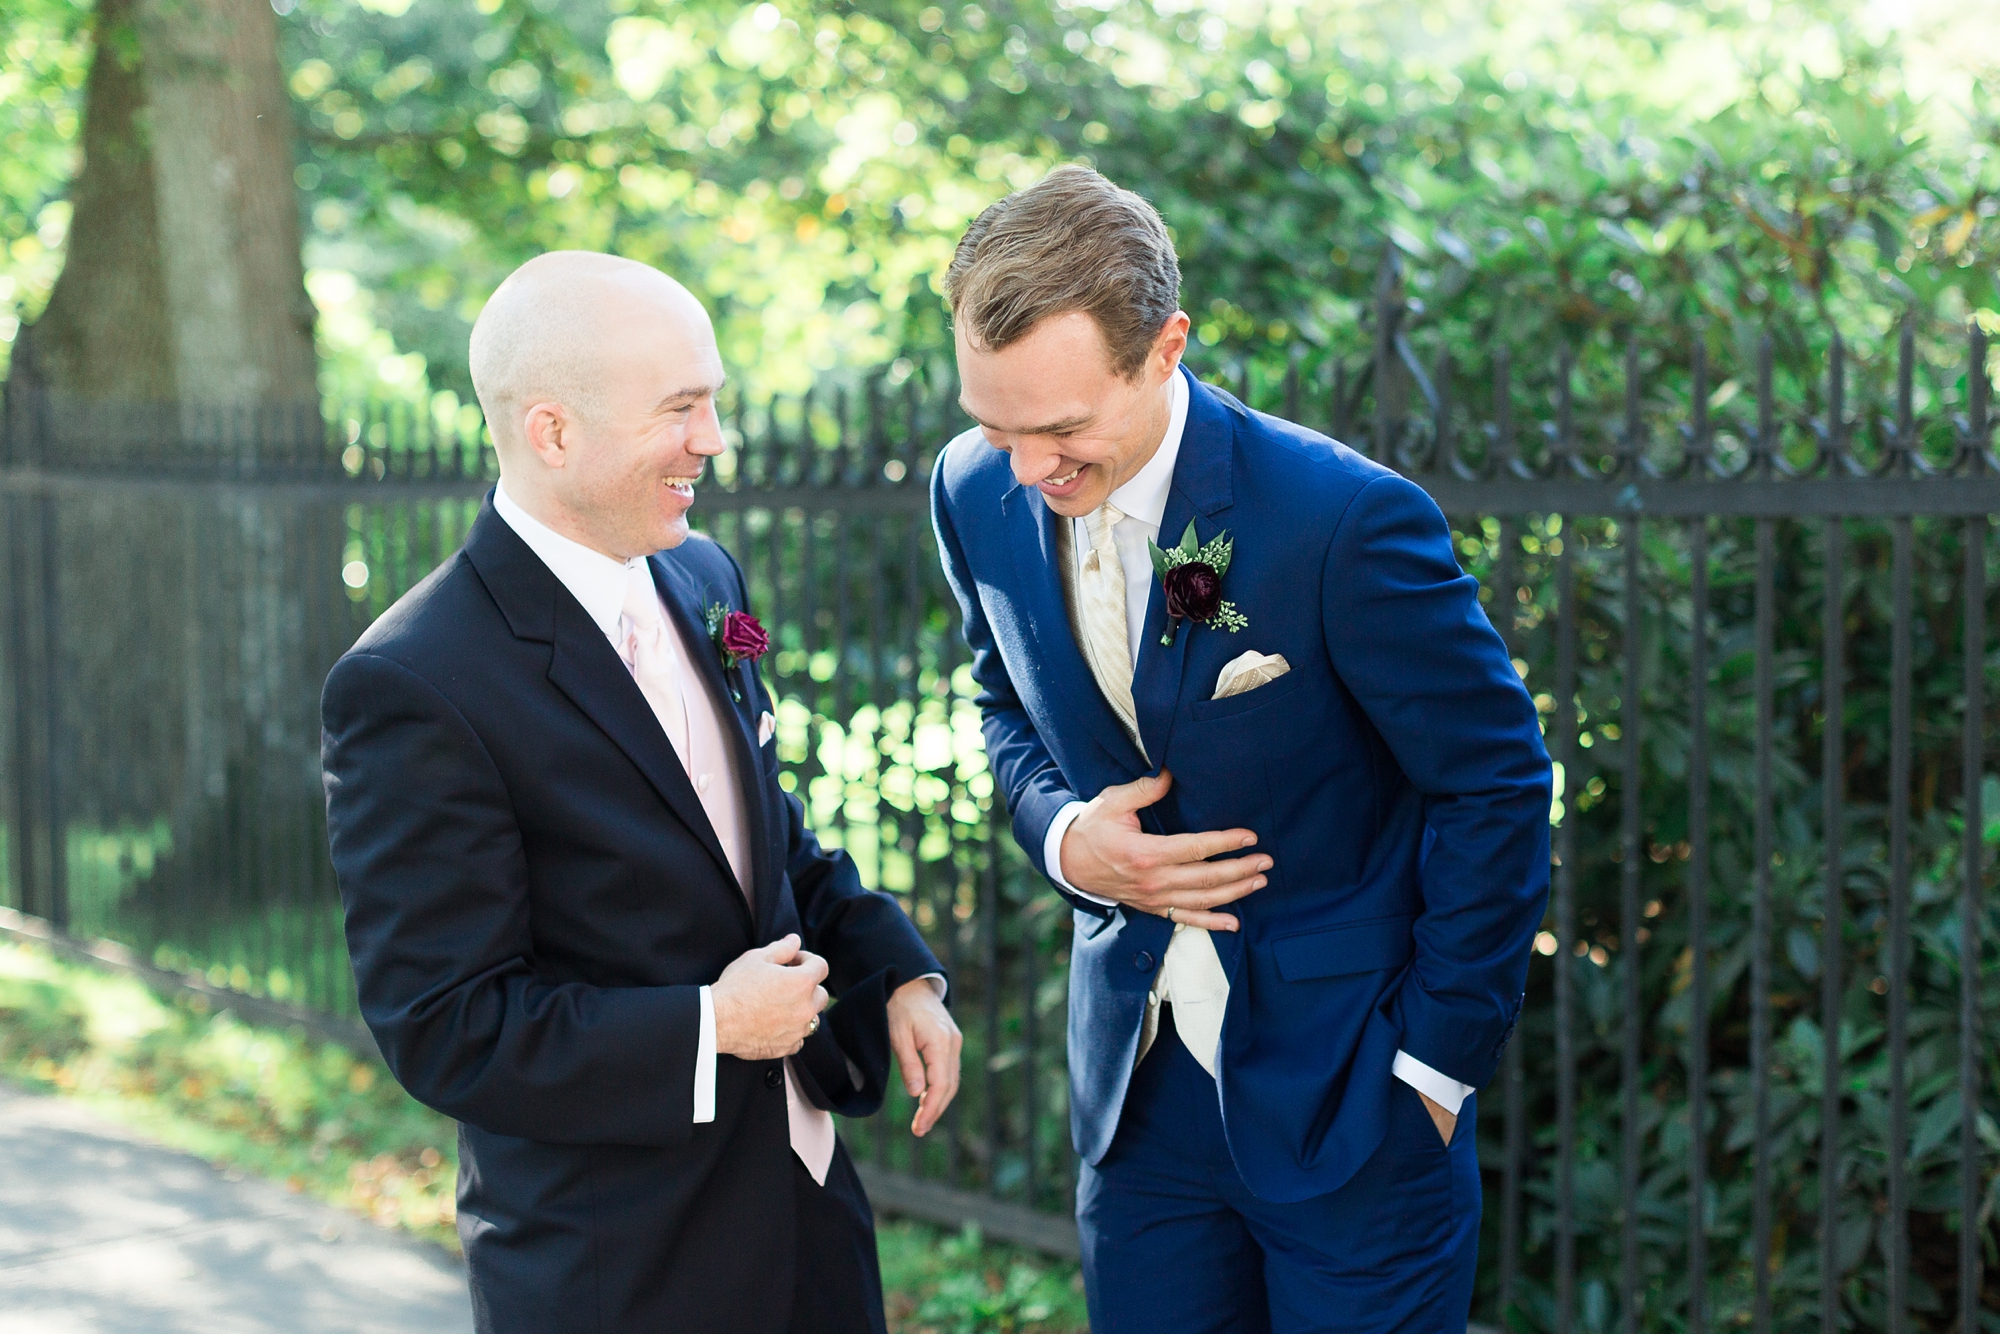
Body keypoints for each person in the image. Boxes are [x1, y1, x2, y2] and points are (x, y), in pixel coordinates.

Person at [930, 167, 1551, 1333]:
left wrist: (1430, 1066)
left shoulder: (1336, 519)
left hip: (1353, 1092)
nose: (1024, 467)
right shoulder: (969, 490)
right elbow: (999, 706)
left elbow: (1494, 780)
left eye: (1061, 427)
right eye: (993, 423)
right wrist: (1067, 838)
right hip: (1136, 1095)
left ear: (1165, 348)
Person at [321, 251, 962, 1334]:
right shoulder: (413, 682)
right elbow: (447, 1025)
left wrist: (892, 966)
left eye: (711, 400)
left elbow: (757, 816)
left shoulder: (710, 582)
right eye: (681, 408)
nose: (713, 440)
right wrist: (712, 1024)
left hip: (808, 1223)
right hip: (617, 1271)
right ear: (553, 430)